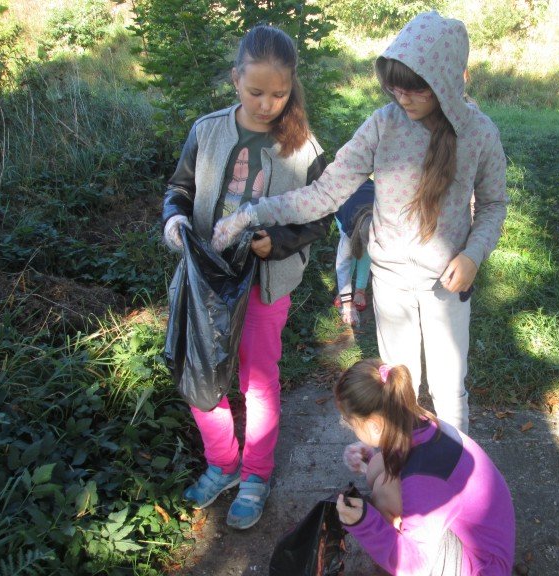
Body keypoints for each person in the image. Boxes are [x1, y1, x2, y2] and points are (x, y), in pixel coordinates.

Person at [210, 11, 508, 433]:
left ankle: (459, 467)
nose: (403, 98)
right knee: (399, 389)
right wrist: (252, 213)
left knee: (449, 389)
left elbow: (494, 204)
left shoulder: (479, 133)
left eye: (416, 89)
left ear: (445, 81)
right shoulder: (383, 125)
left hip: (447, 286)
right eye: (395, 87)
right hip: (390, 281)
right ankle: (402, 466)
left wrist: (473, 255)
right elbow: (324, 193)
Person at [161, 25, 330, 529]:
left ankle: (256, 473)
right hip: (206, 283)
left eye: (279, 94)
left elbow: (320, 217)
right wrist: (174, 220)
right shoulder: (207, 131)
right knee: (201, 374)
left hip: (264, 285)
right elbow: (179, 190)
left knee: (258, 380)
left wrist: (275, 242)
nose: (267, 104)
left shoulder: (304, 149)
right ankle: (223, 463)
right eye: (256, 92)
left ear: (292, 86)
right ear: (235, 79)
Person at [334, 358, 515, 575]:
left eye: (350, 423)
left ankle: (393, 551)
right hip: (483, 540)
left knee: (384, 494)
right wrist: (371, 453)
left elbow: (415, 566)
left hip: (483, 566)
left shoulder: (423, 475)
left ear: (374, 426)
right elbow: (400, 464)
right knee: (378, 466)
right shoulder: (419, 421)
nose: (349, 427)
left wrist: (365, 524)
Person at [333, 178, 374, 326]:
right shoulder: (349, 231)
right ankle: (345, 293)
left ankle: (360, 290)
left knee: (365, 254)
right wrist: (347, 305)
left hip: (370, 192)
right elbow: (342, 265)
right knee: (350, 254)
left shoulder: (386, 221)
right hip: (344, 197)